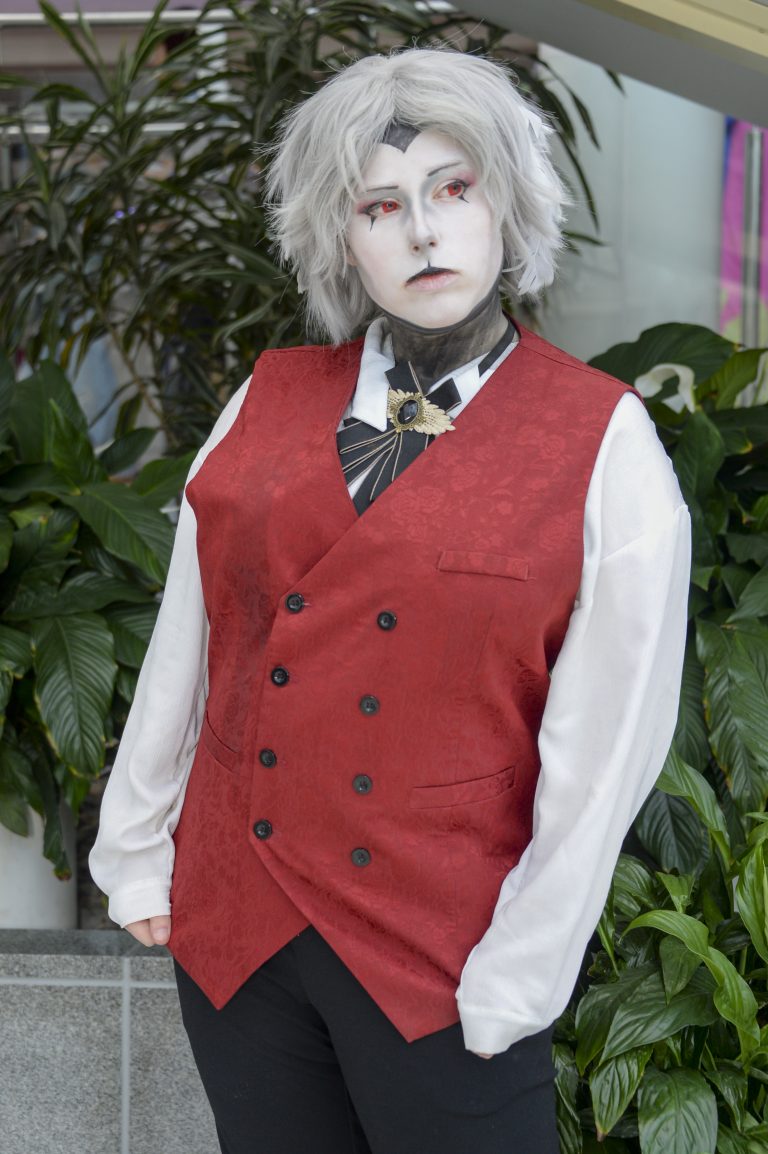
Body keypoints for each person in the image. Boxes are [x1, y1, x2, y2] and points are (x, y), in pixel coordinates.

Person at [90, 46, 691, 1154]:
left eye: (453, 189)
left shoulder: (604, 439)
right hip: (241, 930)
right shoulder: (265, 397)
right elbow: (195, 634)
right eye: (381, 205)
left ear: (507, 204)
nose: (422, 231)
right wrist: (134, 848)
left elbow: (607, 745)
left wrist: (521, 971)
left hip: (444, 954)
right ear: (342, 238)